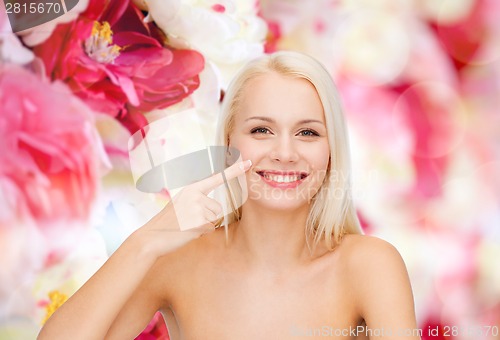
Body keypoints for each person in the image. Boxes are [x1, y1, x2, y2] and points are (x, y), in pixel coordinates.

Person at [38, 51, 420, 339]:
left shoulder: (369, 265)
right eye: (261, 131)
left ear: (332, 150)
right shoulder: (177, 261)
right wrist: (143, 243)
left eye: (307, 133)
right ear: (227, 144)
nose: (285, 152)